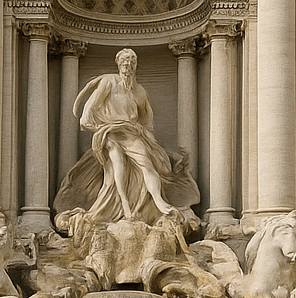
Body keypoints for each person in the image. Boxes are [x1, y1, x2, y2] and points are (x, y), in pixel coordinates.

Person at [53, 48, 200, 224]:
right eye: (125, 61)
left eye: (131, 62)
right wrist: (94, 126)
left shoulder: (139, 91)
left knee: (147, 163)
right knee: (117, 162)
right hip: (110, 133)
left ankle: (159, 200)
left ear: (135, 66)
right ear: (118, 64)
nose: (128, 64)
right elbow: (90, 106)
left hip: (131, 133)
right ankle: (124, 203)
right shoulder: (109, 81)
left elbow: (146, 120)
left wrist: (151, 142)